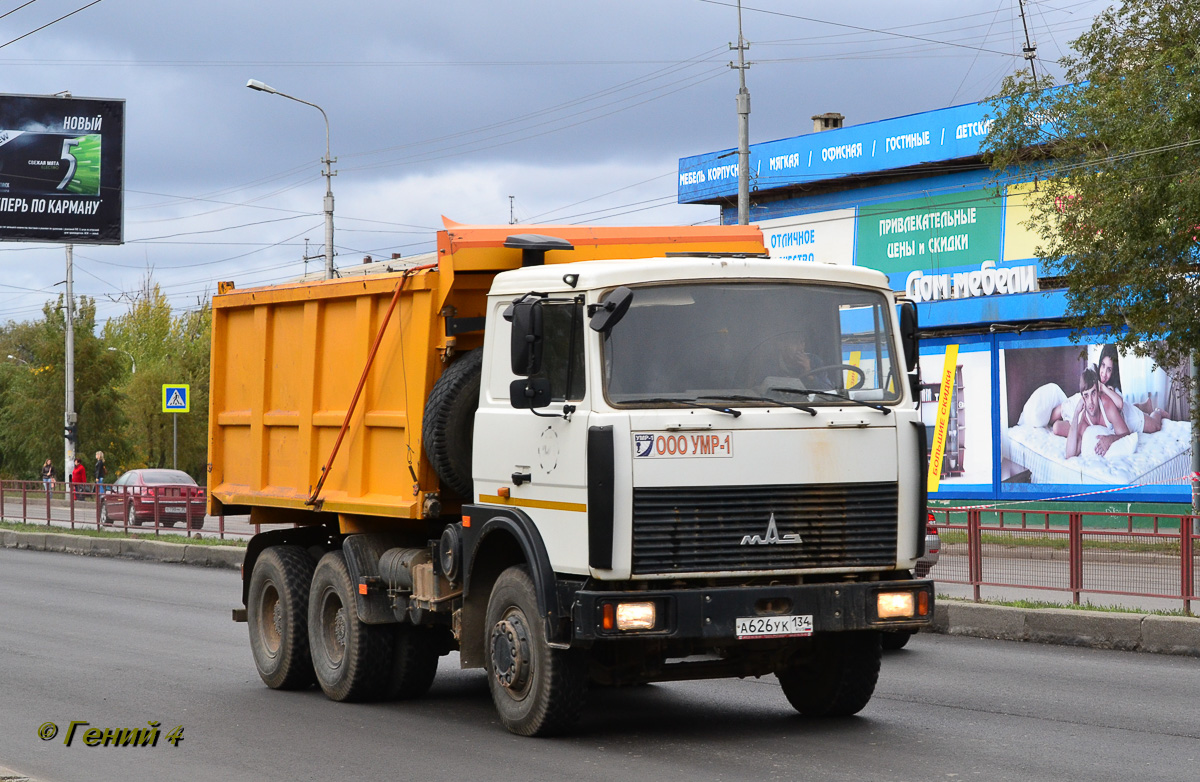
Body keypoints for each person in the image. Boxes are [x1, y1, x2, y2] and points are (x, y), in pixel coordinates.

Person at [1096, 344, 1171, 434]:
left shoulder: (1112, 387)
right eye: (1103, 365)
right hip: (1126, 413)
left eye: (1109, 369)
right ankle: (1144, 406)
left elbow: (1120, 404)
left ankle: (1158, 412)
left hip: (1131, 419)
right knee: (1128, 408)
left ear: (1113, 371)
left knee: (1156, 426)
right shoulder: (1095, 378)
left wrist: (1104, 388)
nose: (1104, 373)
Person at [1064, 366, 1131, 458]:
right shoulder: (1084, 420)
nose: (1090, 401)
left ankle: (1156, 411)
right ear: (1082, 398)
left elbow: (1127, 435)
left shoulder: (1107, 405)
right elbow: (1069, 454)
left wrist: (1111, 439)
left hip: (1128, 414)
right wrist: (1076, 414)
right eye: (1086, 396)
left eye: (1093, 393)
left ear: (1098, 392)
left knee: (1154, 425)